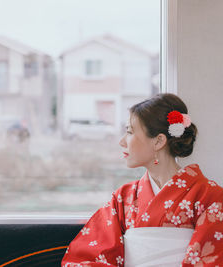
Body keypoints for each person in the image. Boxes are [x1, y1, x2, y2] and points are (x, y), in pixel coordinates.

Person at [61, 93, 223, 267]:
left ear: (158, 141)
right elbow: (85, 257)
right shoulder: (123, 197)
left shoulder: (210, 196)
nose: (122, 142)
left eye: (130, 132)